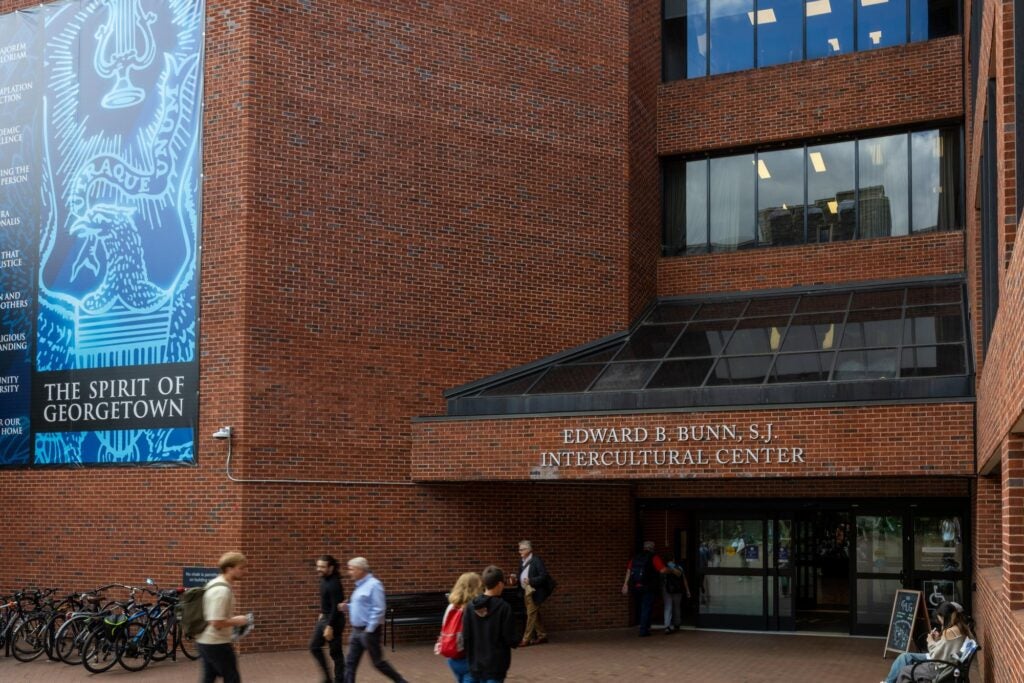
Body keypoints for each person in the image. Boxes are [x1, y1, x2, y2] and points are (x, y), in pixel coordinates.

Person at [341, 557, 408, 683]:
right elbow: (362, 606)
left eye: (351, 569)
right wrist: (346, 607)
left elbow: (379, 608)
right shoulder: (359, 586)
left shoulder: (374, 585)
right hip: (356, 631)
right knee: (350, 662)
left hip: (368, 631)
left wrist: (369, 630)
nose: (349, 572)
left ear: (361, 570)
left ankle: (401, 681)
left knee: (377, 662)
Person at [880, 601, 973, 683]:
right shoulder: (961, 628)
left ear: (943, 616)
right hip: (948, 665)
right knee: (904, 658)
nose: (939, 621)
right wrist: (937, 639)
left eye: (939, 618)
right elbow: (946, 648)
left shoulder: (949, 632)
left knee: (904, 670)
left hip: (940, 668)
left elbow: (935, 655)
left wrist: (930, 641)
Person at [197, 551, 254, 683]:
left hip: (206, 640)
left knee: (208, 678)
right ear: (229, 569)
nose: (245, 571)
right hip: (216, 643)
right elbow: (216, 622)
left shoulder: (215, 583)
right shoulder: (222, 591)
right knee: (232, 679)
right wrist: (239, 620)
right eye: (241, 568)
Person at [463, 565, 517, 683]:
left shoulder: (470, 607)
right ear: (499, 584)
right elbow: (510, 638)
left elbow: (466, 636)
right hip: (496, 666)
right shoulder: (504, 607)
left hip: (475, 664)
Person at [436, 572, 482, 683]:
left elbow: (444, 627)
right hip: (469, 659)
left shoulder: (451, 606)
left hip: (453, 657)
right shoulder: (476, 608)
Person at [310, 554, 345, 683]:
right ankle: (328, 679)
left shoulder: (335, 583)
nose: (318, 569)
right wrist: (322, 612)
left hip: (334, 621)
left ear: (330, 568)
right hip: (325, 618)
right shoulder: (324, 578)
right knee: (314, 647)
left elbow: (337, 608)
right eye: (318, 566)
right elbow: (327, 601)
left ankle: (340, 680)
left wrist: (329, 626)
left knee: (335, 653)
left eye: (322, 567)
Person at [622, 540, 666, 637]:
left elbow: (629, 570)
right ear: (652, 548)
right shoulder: (654, 557)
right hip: (648, 587)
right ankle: (643, 630)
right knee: (646, 608)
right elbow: (663, 570)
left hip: (636, 587)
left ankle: (645, 626)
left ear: (644, 547)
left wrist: (625, 584)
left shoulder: (635, 557)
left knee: (642, 607)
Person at [516, 540, 552, 647]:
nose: (520, 551)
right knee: (534, 614)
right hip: (525, 592)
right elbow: (520, 576)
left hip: (534, 592)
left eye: (522, 549)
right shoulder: (522, 561)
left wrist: (531, 581)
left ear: (529, 550)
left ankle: (526, 639)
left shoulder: (536, 560)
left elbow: (543, 576)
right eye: (519, 549)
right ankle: (542, 635)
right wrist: (516, 579)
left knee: (530, 615)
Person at [661, 552, 691, 634]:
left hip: (667, 590)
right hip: (678, 590)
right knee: (677, 607)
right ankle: (677, 624)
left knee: (668, 607)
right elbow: (684, 580)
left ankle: (667, 626)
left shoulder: (663, 567)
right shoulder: (679, 567)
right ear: (673, 559)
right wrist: (687, 590)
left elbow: (662, 579)